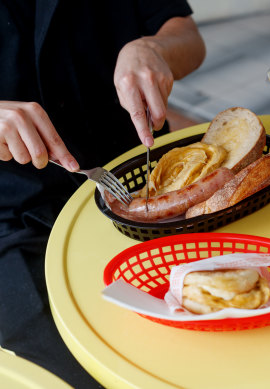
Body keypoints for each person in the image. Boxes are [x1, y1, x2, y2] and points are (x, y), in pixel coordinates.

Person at [0, 1, 206, 387]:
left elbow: (188, 37)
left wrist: (154, 48)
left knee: (200, 343)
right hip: (13, 220)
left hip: (143, 189)